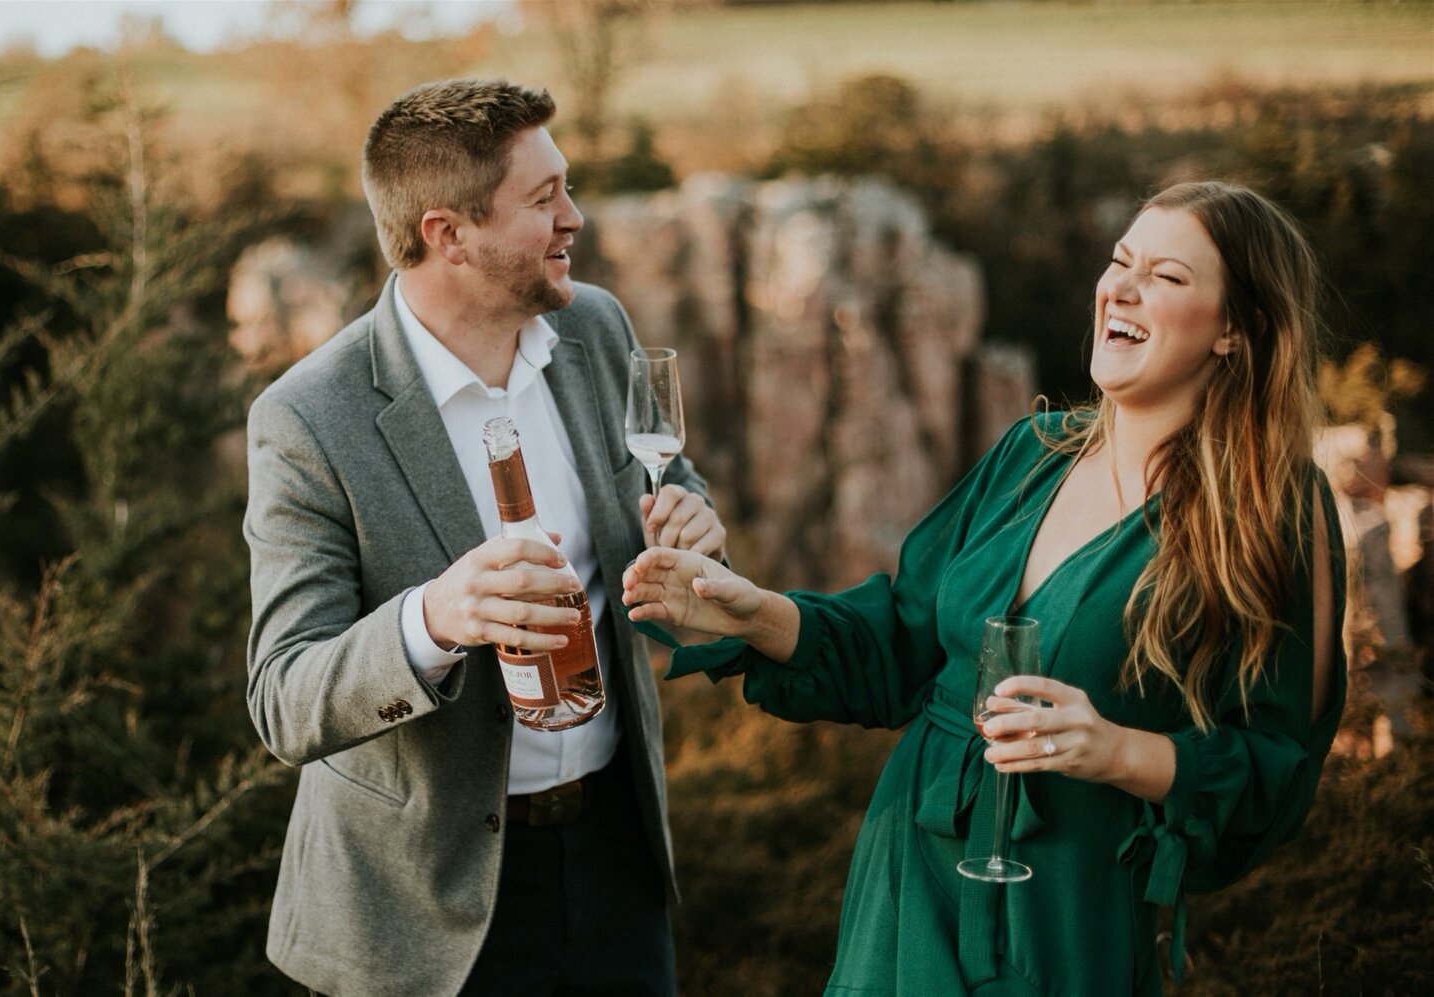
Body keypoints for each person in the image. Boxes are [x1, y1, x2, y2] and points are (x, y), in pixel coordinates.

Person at [622, 180, 1346, 996]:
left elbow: (1275, 768)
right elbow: (899, 645)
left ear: (1236, 331)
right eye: (1120, 262)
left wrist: (1118, 751)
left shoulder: (1274, 509)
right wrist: (748, 608)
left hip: (1066, 906)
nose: (1123, 287)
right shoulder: (1029, 455)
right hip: (905, 886)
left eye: (1169, 277)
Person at [244, 78, 724, 996]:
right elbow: (284, 700)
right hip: (419, 912)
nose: (572, 218)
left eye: (565, 187)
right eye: (543, 200)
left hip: (618, 864)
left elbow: (667, 483)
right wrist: (436, 616)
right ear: (447, 234)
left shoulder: (596, 326)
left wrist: (696, 523)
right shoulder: (308, 417)